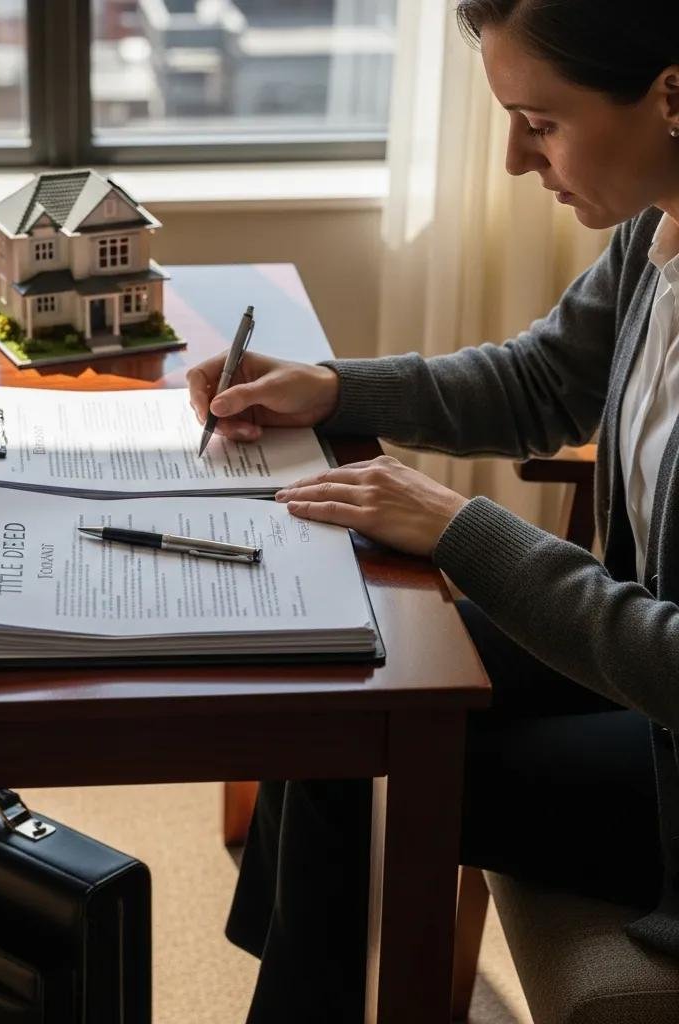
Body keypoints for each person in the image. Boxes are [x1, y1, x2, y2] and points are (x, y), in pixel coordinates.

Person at [186, 2, 679, 1020]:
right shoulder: (654, 227)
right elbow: (542, 379)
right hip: (637, 660)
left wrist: (464, 531)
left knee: (360, 758)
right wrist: (331, 389)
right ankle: (304, 980)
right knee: (338, 680)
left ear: (671, 95)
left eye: (540, 123)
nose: (510, 159)